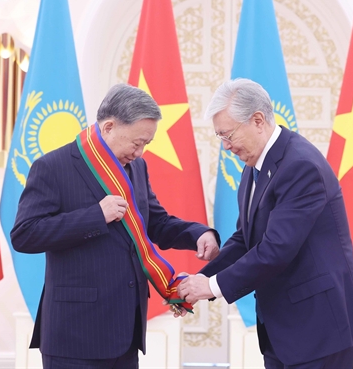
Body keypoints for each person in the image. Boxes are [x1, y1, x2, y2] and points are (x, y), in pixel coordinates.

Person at [11, 83, 220, 369]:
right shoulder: (53, 166)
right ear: (109, 127)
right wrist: (95, 215)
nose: (140, 152)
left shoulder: (137, 167)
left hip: (125, 331)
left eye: (146, 144)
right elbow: (25, 234)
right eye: (136, 142)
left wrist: (198, 234)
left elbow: (155, 221)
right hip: (74, 335)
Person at [178, 78, 353, 369]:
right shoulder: (253, 166)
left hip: (319, 329)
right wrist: (197, 282)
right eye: (220, 137)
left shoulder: (300, 166)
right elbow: (245, 239)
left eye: (228, 135)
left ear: (257, 120)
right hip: (283, 330)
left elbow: (275, 249)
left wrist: (211, 287)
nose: (226, 147)